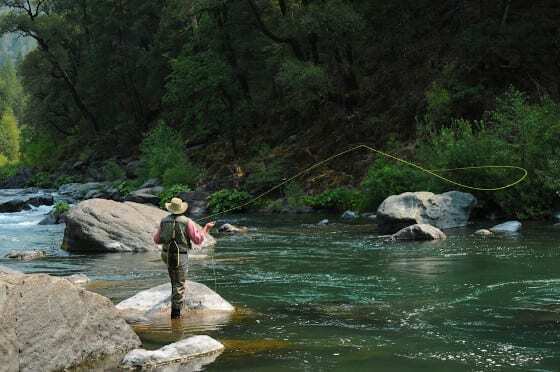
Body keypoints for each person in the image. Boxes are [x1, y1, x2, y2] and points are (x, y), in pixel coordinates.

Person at [153, 197, 215, 319]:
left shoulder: (164, 221)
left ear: (171, 209)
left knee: (174, 281)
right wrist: (206, 228)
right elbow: (198, 240)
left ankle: (175, 305)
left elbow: (156, 240)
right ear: (182, 209)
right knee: (179, 284)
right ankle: (175, 315)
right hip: (179, 256)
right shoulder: (187, 222)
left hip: (166, 254)